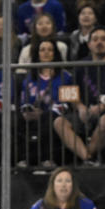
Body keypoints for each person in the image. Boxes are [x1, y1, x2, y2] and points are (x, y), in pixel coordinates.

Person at [66, 26, 105, 164]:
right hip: (84, 113)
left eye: (103, 39)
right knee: (59, 122)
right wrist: (80, 107)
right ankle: (87, 157)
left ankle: (87, 156)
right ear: (89, 44)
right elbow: (69, 92)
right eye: (94, 39)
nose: (99, 43)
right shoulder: (80, 65)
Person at [16, 37, 74, 168]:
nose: (46, 53)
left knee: (48, 117)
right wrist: (27, 110)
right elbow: (24, 100)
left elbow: (67, 102)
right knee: (17, 118)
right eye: (42, 50)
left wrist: (45, 112)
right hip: (33, 113)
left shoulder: (66, 76)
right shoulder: (30, 77)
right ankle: (23, 158)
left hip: (55, 113)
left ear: (55, 53)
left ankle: (47, 158)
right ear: (38, 54)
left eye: (50, 50)